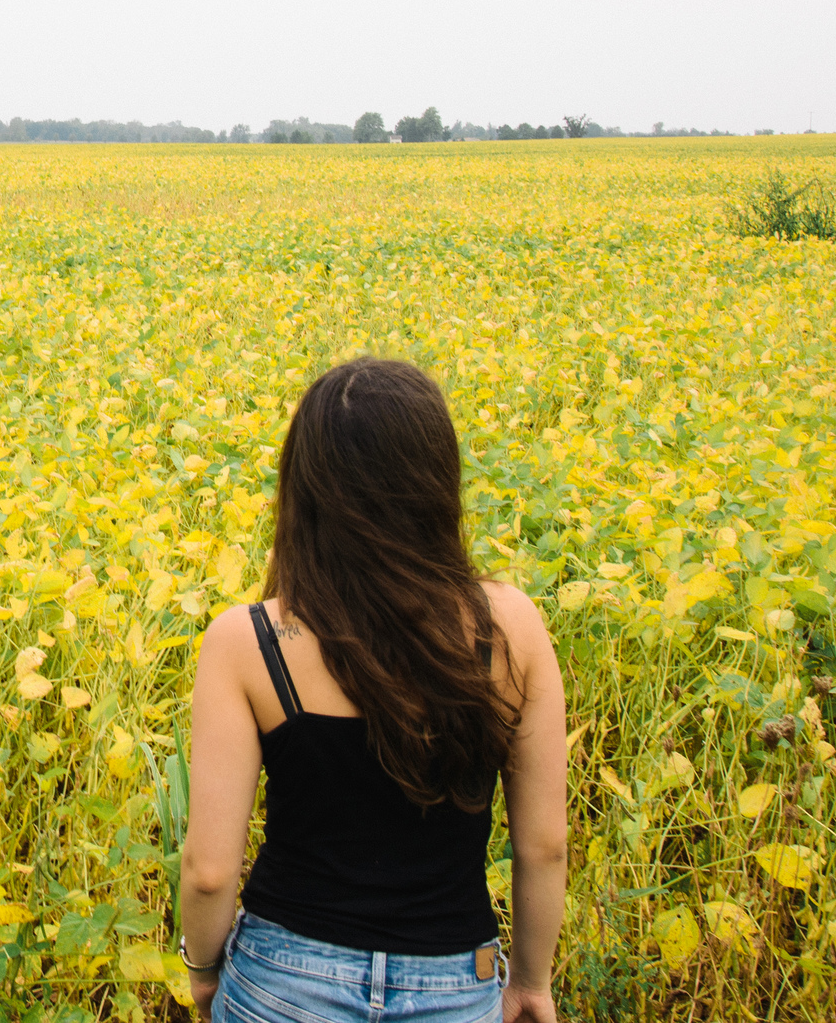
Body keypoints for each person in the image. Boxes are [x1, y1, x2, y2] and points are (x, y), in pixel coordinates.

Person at [177, 358, 568, 1023]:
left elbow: (209, 869)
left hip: (281, 978)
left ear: (305, 483)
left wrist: (205, 966)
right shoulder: (513, 630)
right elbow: (543, 845)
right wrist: (530, 982)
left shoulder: (246, 641)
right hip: (454, 981)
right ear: (438, 482)